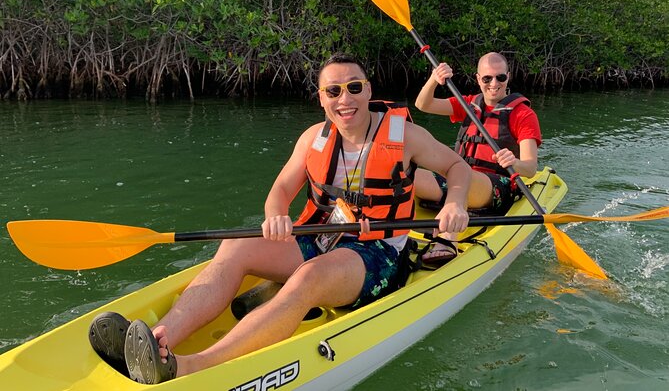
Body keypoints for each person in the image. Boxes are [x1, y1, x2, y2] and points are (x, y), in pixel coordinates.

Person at [87, 53, 472, 384]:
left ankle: (189, 366)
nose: (345, 99)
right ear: (321, 98)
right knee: (236, 244)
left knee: (310, 277)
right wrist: (275, 215)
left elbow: (456, 167)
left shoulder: (405, 135)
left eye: (354, 87)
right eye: (333, 91)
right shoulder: (312, 139)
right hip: (320, 237)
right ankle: (155, 341)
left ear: (369, 90)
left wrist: (455, 203)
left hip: (378, 252)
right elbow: (281, 191)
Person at [413, 52, 542, 266]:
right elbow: (423, 105)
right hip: (458, 180)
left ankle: (447, 240)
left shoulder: (523, 114)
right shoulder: (469, 104)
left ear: (508, 77)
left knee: (465, 177)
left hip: (497, 188)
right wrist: (434, 80)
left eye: (500, 77)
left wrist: (514, 162)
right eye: (487, 78)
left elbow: (530, 168)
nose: (494, 84)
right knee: (409, 174)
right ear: (478, 78)